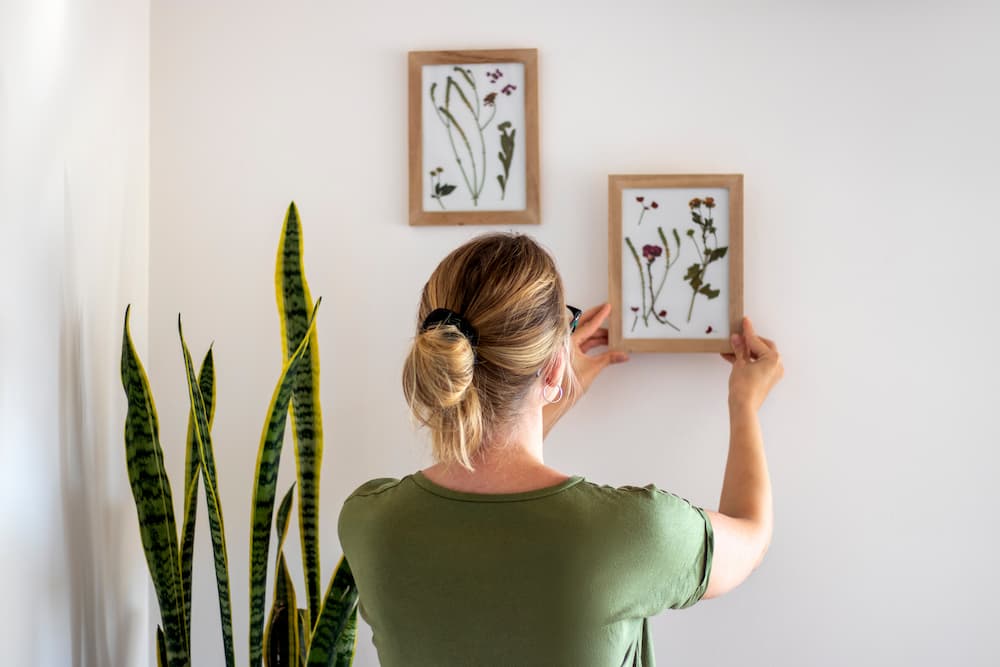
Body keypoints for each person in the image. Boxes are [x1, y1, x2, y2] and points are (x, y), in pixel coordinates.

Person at [338, 232, 783, 666]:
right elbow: (752, 536)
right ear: (553, 366)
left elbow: (487, 491)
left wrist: (555, 387)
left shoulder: (370, 522)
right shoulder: (634, 531)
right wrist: (744, 402)